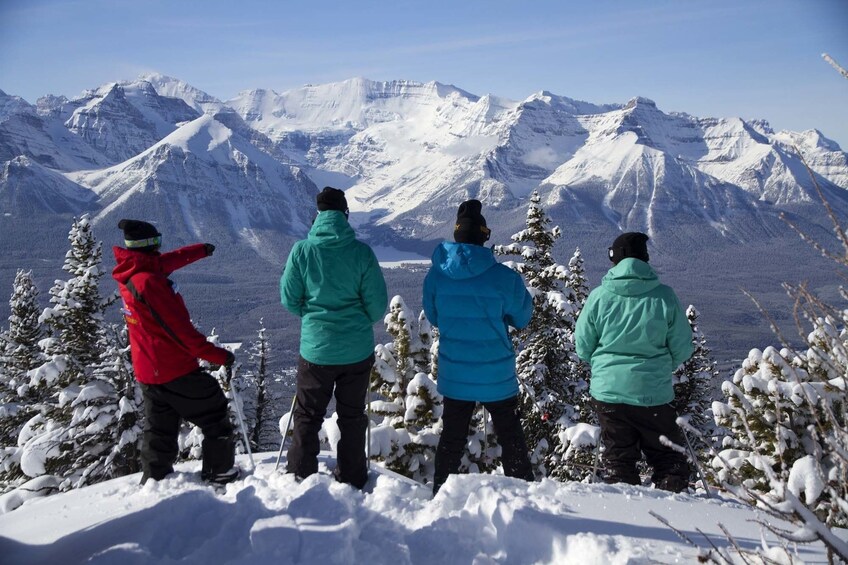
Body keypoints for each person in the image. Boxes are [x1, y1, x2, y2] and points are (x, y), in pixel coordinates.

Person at [112, 219, 238, 486]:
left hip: (148, 370)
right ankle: (220, 472)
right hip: (174, 368)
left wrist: (199, 250)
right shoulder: (150, 284)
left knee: (159, 427)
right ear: (149, 244)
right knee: (214, 411)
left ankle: (155, 480)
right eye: (156, 241)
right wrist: (219, 356)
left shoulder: (131, 272)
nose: (160, 247)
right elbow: (181, 332)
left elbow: (164, 262)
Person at [423, 199, 535, 495]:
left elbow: (434, 316)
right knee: (510, 436)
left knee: (452, 438)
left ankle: (440, 494)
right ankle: (527, 497)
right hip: (495, 373)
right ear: (484, 236)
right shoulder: (504, 278)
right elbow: (523, 316)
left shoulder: (436, 276)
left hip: (455, 372)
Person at [280, 187, 388, 489]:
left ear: (318, 215)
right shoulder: (361, 253)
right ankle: (352, 478)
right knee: (352, 417)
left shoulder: (302, 251)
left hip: (316, 352)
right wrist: (355, 321)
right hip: (356, 352)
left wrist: (314, 319)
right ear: (345, 215)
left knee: (307, 415)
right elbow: (378, 305)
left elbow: (289, 299)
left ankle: (301, 476)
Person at [574, 232, 694, 492]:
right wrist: (659, 367)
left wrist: (603, 365)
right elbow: (683, 347)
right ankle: (675, 510)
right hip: (654, 393)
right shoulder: (664, 296)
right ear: (645, 259)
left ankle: (624, 507)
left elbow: (583, 345)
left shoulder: (599, 297)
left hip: (609, 394)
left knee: (618, 459)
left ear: (614, 259)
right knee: (668, 458)